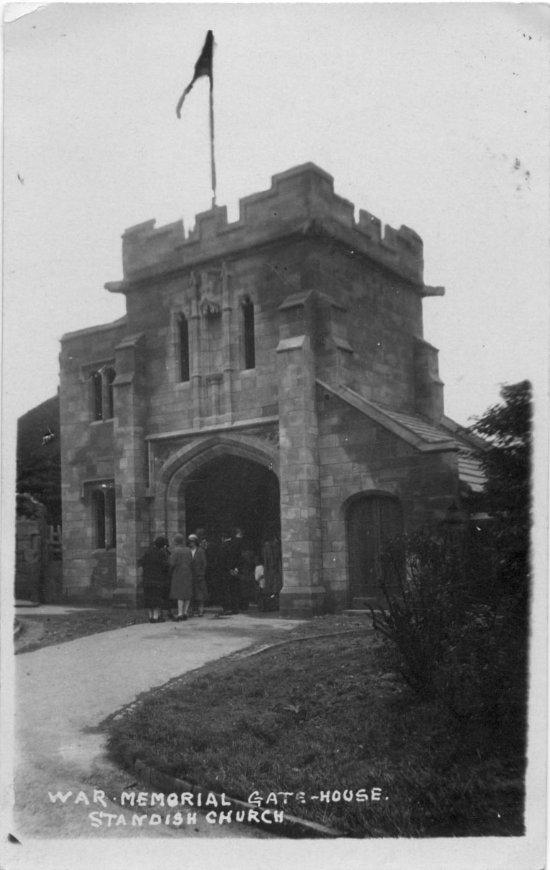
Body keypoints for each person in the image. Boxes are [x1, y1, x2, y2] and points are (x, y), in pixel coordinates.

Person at [138, 536, 170, 623]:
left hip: (147, 579)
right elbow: (165, 566)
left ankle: (150, 616)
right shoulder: (161, 554)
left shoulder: (147, 552)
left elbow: (140, 562)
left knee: (149, 598)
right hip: (157, 579)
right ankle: (156, 617)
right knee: (156, 598)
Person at [169, 533, 193, 621]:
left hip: (178, 573)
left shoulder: (175, 551)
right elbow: (191, 561)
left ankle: (180, 614)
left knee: (180, 594)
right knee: (187, 593)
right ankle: (185, 612)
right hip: (188, 573)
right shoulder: (188, 550)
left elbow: (172, 563)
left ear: (175, 541)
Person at [188, 533, 207, 616]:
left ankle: (201, 610)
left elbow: (204, 563)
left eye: (192, 541)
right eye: (189, 541)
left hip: (199, 574)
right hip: (190, 574)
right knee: (190, 593)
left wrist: (202, 573)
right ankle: (191, 610)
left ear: (195, 542)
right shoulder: (187, 550)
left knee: (200, 593)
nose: (190, 543)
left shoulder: (200, 551)